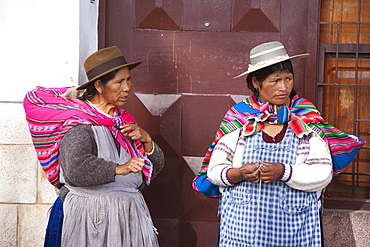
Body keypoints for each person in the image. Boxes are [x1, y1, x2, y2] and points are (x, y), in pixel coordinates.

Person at [192, 41, 365, 246]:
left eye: (288, 79)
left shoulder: (305, 118)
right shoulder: (240, 118)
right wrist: (237, 174)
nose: (284, 88)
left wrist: (284, 172)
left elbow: (323, 173)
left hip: (296, 232)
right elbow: (214, 170)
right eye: (275, 81)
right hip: (241, 232)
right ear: (256, 82)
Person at [24, 46, 164, 246]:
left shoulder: (122, 122)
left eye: (129, 79)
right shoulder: (80, 124)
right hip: (91, 221)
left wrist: (148, 141)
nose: (127, 88)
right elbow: (75, 169)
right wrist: (118, 168)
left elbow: (151, 169)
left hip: (128, 218)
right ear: (99, 86)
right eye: (119, 82)